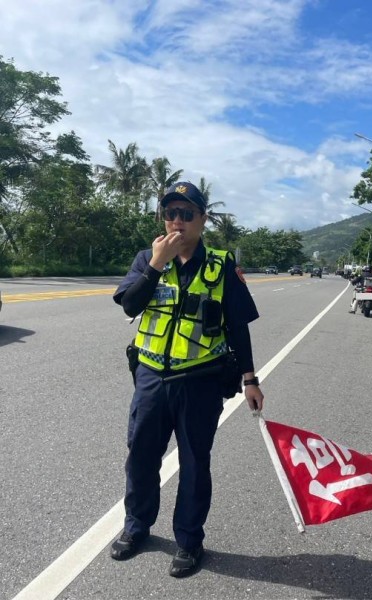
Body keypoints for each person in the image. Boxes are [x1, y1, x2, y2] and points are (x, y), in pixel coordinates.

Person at [110, 181, 264, 578]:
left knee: (195, 463)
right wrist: (156, 264)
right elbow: (129, 304)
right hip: (151, 378)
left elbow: (238, 326)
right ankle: (136, 526)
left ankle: (190, 541)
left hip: (200, 381)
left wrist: (250, 379)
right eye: (170, 213)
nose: (177, 221)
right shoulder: (147, 258)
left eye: (186, 213)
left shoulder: (221, 265)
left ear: (203, 219)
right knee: (141, 457)